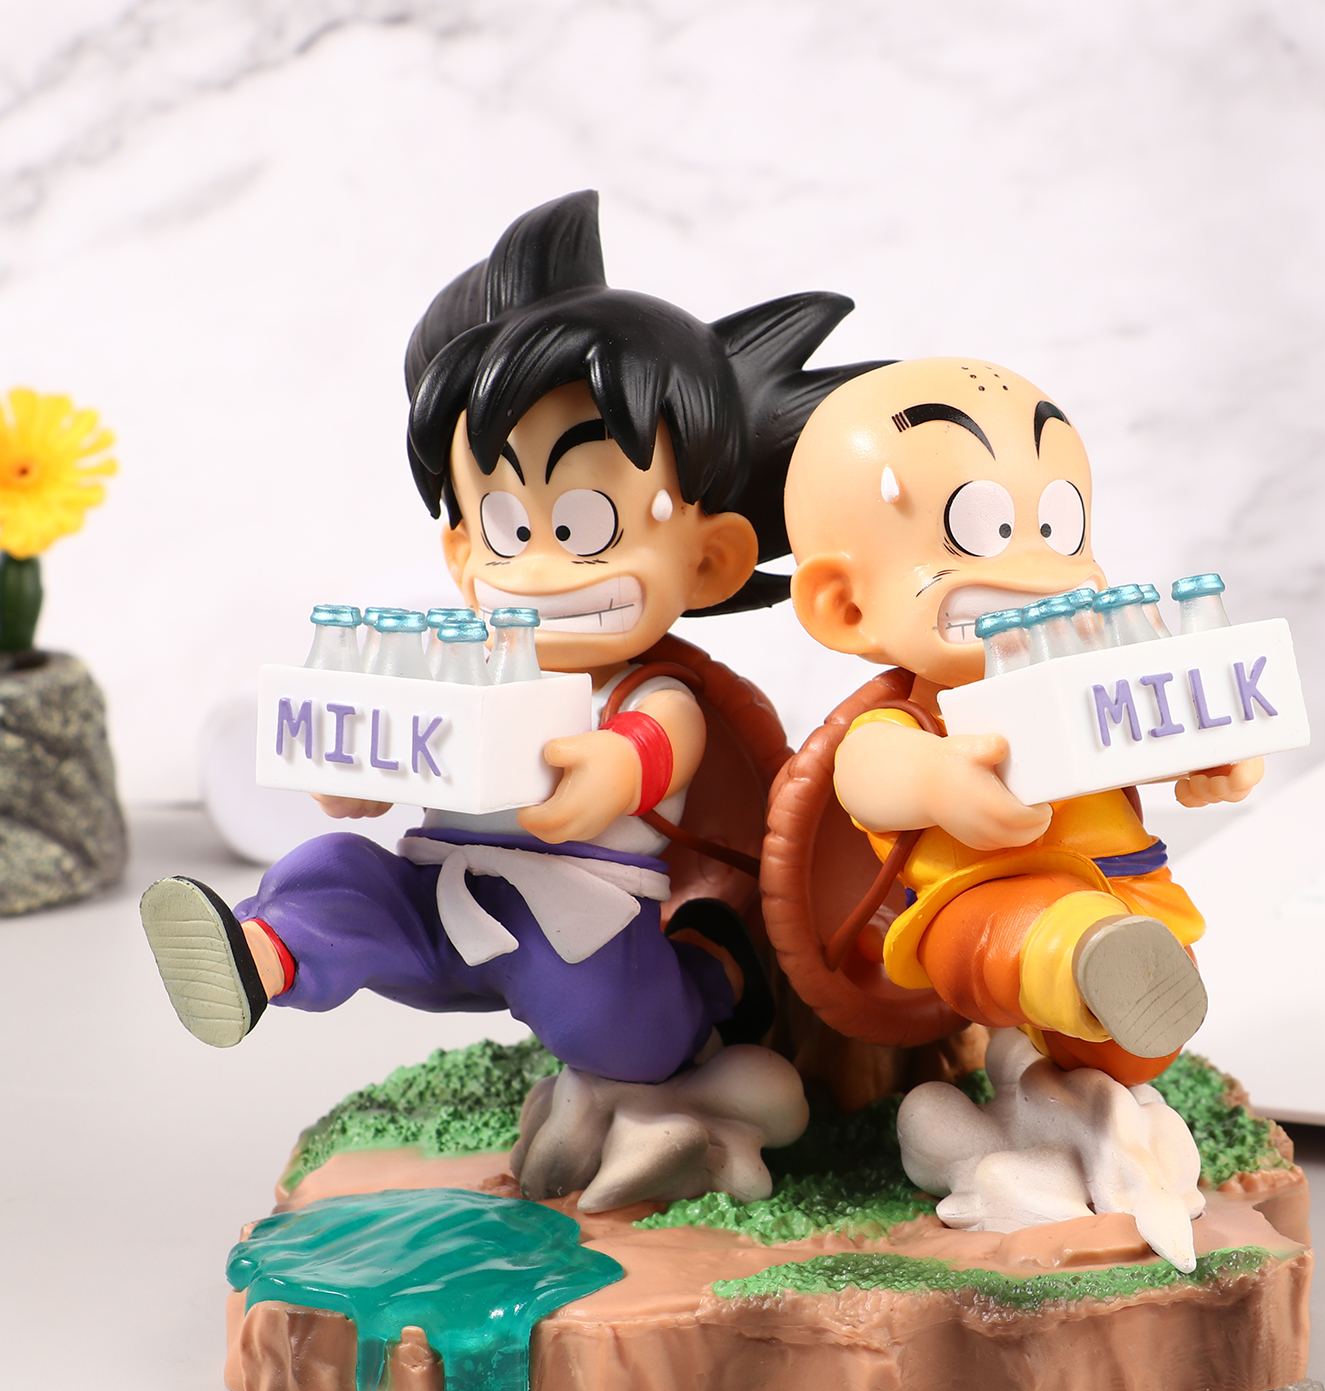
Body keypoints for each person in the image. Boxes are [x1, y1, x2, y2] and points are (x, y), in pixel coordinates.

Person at [142, 191, 878, 1091]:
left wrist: (612, 771)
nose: (535, 569)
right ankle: (260, 958)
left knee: (615, 1029)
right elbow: (385, 764)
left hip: (576, 920)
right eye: (503, 524)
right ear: (460, 551)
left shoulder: (647, 693)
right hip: (438, 897)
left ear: (710, 560)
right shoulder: (460, 665)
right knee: (332, 872)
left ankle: (710, 974)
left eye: (585, 524)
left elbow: (657, 745)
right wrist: (356, 774)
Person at [782, 356, 1263, 1086]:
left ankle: (1102, 1014)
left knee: (1135, 1047)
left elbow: (1152, 722)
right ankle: (1080, 959)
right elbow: (868, 778)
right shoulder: (907, 720)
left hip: (1127, 888)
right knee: (1008, 940)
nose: (1039, 572)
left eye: (1061, 530)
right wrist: (938, 782)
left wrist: (1213, 750)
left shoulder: (1092, 678)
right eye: (981, 529)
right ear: (846, 605)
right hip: (983, 903)